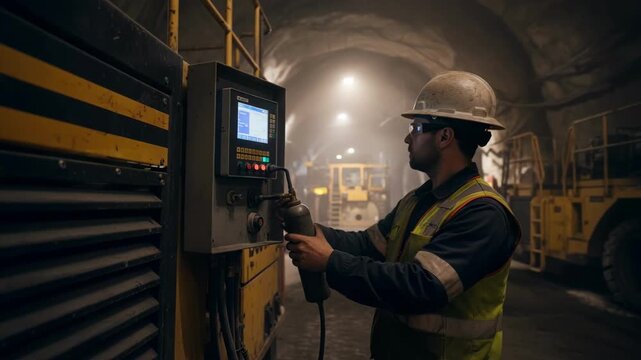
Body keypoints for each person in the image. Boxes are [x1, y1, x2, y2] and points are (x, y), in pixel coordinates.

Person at [286, 71, 521, 360]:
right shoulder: (418, 200)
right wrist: (308, 230)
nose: (407, 137)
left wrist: (330, 262)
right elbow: (368, 246)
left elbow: (422, 286)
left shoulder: (483, 212)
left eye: (418, 127)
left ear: (445, 136)